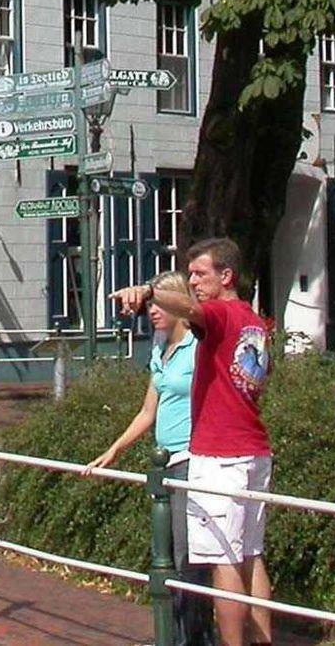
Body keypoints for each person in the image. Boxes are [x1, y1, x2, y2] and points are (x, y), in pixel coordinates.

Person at [117, 238, 274, 646]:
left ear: (227, 276)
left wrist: (149, 291)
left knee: (224, 560)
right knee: (251, 556)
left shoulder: (220, 313)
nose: (193, 282)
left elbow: (190, 310)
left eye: (201, 274)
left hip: (220, 455)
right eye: (189, 275)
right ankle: (263, 641)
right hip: (254, 450)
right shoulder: (253, 321)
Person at [87, 271, 212, 646]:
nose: (153, 311)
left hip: (191, 459)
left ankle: (194, 638)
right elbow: (148, 410)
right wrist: (115, 449)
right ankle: (175, 634)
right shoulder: (160, 348)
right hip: (165, 462)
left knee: (189, 558)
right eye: (150, 306)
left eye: (160, 304)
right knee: (168, 555)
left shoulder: (198, 346)